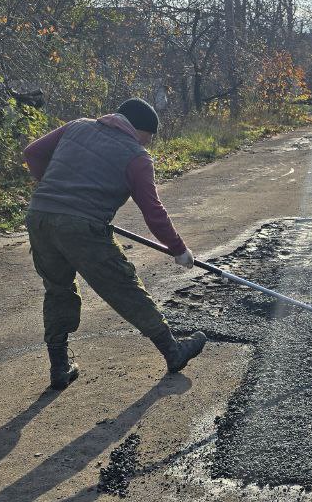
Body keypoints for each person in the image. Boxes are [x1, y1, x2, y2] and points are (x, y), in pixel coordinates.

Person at [23, 98, 206, 390]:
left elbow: (32, 152)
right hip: (82, 227)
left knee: (58, 290)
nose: (149, 144)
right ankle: (173, 351)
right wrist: (178, 249)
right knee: (123, 285)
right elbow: (154, 212)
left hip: (40, 217)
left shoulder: (77, 127)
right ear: (139, 129)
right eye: (149, 137)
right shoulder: (136, 156)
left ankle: (59, 367)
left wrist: (50, 186)